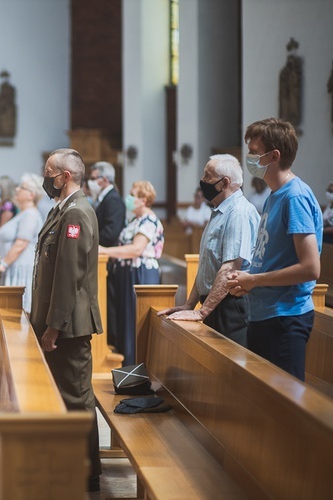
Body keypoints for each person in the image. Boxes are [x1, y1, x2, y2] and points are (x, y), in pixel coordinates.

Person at [228, 118, 323, 381]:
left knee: (284, 409)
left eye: (255, 152)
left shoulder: (295, 196)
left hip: (286, 317)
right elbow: (273, 255)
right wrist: (245, 277)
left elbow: (310, 268)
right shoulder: (275, 194)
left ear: (274, 155)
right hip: (263, 313)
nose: (249, 158)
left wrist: (254, 280)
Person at [30, 148, 103, 492]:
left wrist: (54, 325)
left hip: (69, 327)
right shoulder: (62, 211)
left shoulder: (76, 214)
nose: (47, 178)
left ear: (66, 176)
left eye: (50, 172)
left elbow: (68, 276)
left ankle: (88, 470)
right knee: (65, 394)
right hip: (57, 323)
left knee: (75, 396)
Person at [158, 155, 260, 347]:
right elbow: (207, 265)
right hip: (215, 302)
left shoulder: (238, 212)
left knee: (229, 367)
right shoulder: (219, 210)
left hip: (231, 305)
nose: (203, 181)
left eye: (208, 176)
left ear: (225, 183)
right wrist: (190, 305)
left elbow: (229, 269)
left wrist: (202, 312)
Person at [99, 180, 164, 366]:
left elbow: (136, 249)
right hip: (126, 273)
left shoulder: (149, 221)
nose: (128, 198)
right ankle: (127, 367)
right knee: (124, 323)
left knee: (134, 323)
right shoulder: (134, 220)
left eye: (133, 195)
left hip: (140, 273)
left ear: (144, 199)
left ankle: (136, 370)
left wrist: (104, 250)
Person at [88, 161, 126, 348]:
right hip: (102, 257)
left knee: (110, 304)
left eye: (93, 178)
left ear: (104, 179)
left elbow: (111, 232)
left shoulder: (113, 199)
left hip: (108, 259)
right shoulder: (103, 198)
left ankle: (111, 343)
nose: (90, 182)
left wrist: (89, 240)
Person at [0, 173, 44, 313]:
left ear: (31, 194)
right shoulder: (23, 213)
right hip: (13, 267)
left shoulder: (30, 215)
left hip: (20, 269)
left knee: (18, 314)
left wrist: (3, 264)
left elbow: (21, 243)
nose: (17, 189)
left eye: (22, 187)